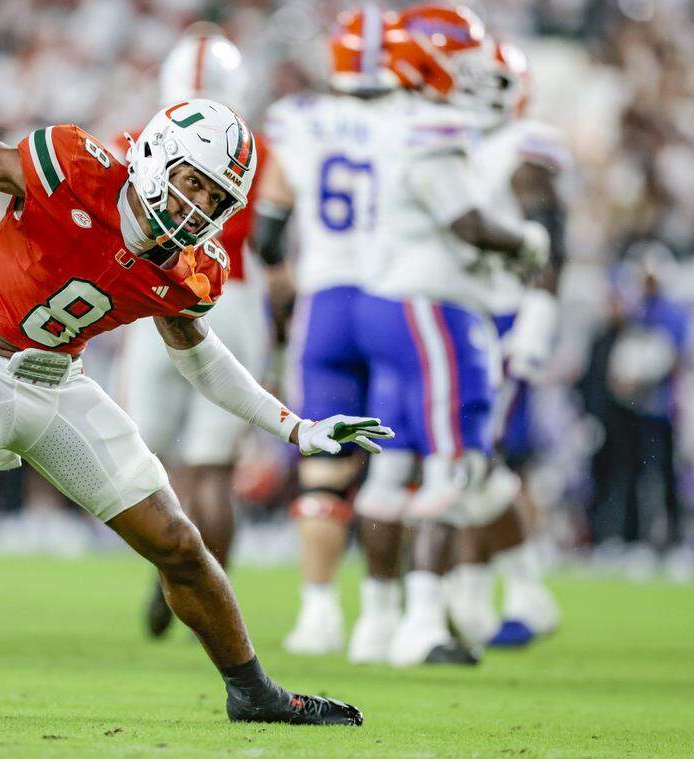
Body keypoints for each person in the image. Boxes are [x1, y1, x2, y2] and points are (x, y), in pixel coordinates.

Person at [0, 63, 391, 722]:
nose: (198, 207)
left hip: (59, 385)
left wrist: (295, 427)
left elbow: (201, 360)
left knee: (177, 542)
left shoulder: (181, 269)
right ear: (156, 157)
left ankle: (253, 690)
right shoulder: (73, 171)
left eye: (216, 199)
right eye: (193, 183)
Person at [344, 3, 550, 666]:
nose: (473, 69)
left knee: (392, 468)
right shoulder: (431, 126)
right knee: (453, 463)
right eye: (461, 56)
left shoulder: (383, 119)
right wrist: (526, 243)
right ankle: (422, 625)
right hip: (430, 304)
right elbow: (468, 223)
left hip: (383, 296)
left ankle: (377, 620)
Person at [252, 5, 400, 655]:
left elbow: (268, 231)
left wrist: (285, 290)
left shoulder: (302, 121)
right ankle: (385, 615)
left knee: (323, 471)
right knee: (397, 469)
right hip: (397, 299)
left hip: (327, 303)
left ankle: (318, 613)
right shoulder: (415, 123)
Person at [114, 28, 272, 638]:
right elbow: (279, 241)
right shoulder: (259, 151)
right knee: (211, 470)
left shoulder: (146, 138)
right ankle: (210, 599)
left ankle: (172, 576)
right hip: (232, 291)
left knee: (151, 458)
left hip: (157, 290)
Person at [449, 40, 567, 648]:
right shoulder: (455, 141)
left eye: (492, 84)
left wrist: (537, 321)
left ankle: (527, 592)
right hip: (465, 312)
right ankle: (470, 595)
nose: (477, 96)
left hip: (505, 316)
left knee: (479, 457)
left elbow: (549, 244)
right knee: (462, 461)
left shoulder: (522, 147)